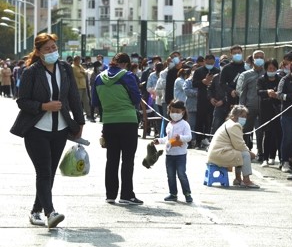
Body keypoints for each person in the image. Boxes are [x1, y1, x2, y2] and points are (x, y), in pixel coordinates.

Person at [10, 33, 85, 229]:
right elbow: (22, 101)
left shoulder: (65, 69)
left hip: (60, 129)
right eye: (47, 49)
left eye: (54, 47)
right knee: (43, 171)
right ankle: (50, 212)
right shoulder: (31, 72)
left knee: (50, 173)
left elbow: (74, 97)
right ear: (39, 52)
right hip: (36, 130)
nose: (52, 51)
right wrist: (44, 106)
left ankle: (35, 211)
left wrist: (79, 123)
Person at [92, 53, 143, 205]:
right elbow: (136, 98)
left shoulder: (99, 78)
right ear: (126, 63)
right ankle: (127, 195)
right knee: (127, 159)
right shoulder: (128, 76)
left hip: (108, 121)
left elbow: (95, 101)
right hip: (128, 120)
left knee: (111, 159)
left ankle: (110, 194)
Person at [207, 105, 260, 188]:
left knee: (240, 153)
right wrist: (250, 153)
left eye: (245, 116)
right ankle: (246, 180)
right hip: (220, 154)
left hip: (216, 154)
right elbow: (239, 145)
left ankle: (238, 179)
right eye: (242, 116)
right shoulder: (234, 126)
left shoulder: (229, 123)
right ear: (234, 116)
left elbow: (237, 146)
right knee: (245, 154)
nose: (244, 119)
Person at [155, 100, 193, 203]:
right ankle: (173, 193)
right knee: (170, 175)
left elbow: (189, 137)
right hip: (169, 154)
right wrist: (159, 140)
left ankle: (187, 193)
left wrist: (180, 138)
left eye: (177, 111)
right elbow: (167, 138)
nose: (174, 114)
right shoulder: (169, 124)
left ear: (183, 112)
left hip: (180, 155)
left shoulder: (185, 124)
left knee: (181, 174)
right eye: (172, 111)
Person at [236, 50, 266, 160]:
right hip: (249, 108)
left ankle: (261, 154)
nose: (259, 59)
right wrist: (241, 109)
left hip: (263, 108)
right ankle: (244, 152)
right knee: (245, 131)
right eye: (256, 57)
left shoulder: (266, 74)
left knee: (261, 131)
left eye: (261, 57)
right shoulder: (245, 75)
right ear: (252, 60)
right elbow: (241, 93)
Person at [257, 58, 282, 167]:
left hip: (278, 109)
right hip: (266, 110)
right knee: (267, 134)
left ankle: (279, 159)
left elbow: (282, 92)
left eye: (274, 68)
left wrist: (277, 94)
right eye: (269, 68)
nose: (272, 70)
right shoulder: (261, 80)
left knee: (278, 134)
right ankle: (265, 158)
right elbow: (259, 91)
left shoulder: (280, 79)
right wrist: (267, 92)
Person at [192, 54, 220, 149]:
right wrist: (203, 82)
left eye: (212, 63)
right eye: (208, 63)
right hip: (202, 99)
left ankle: (209, 139)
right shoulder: (198, 71)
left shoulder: (217, 71)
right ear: (204, 61)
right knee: (200, 120)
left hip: (213, 99)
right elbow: (194, 83)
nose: (210, 64)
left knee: (211, 120)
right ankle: (198, 141)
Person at [277, 59, 292, 173]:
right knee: (288, 137)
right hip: (288, 113)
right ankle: (284, 161)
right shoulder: (285, 80)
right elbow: (279, 95)